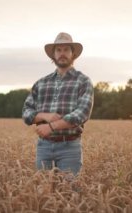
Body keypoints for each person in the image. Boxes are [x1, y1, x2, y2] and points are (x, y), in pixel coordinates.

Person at [22, 32, 94, 176]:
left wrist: (51, 127)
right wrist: (44, 116)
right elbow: (26, 113)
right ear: (53, 55)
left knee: (69, 194)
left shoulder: (83, 81)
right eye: (58, 50)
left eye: (66, 49)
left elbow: (82, 113)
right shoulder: (41, 83)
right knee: (43, 194)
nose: (62, 53)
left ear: (73, 54)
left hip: (70, 148)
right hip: (43, 147)